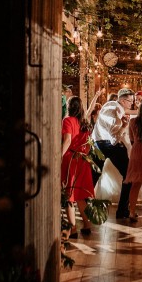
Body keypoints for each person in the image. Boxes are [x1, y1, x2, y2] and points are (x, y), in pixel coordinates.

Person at [90, 88, 135, 219]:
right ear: (122, 101)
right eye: (130, 101)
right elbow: (114, 139)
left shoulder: (109, 105)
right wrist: (124, 126)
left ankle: (84, 205)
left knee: (93, 176)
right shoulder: (116, 111)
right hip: (108, 145)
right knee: (129, 175)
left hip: (97, 143)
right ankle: (122, 211)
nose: (132, 104)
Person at [61, 96, 94, 238]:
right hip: (83, 160)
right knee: (80, 195)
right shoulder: (85, 122)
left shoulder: (67, 120)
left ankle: (73, 229)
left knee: (69, 196)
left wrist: (59, 156)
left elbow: (68, 140)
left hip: (71, 160)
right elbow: (88, 144)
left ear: (69, 107)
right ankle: (87, 225)